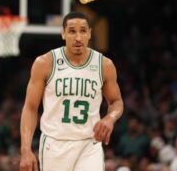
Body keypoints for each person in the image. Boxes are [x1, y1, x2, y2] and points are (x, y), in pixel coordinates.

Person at [19, 11, 124, 171]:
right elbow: (30, 107)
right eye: (72, 31)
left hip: (89, 144)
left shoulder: (105, 65)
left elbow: (116, 102)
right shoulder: (45, 63)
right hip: (55, 145)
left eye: (83, 31)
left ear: (90, 33)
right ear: (63, 34)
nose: (78, 37)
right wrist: (25, 149)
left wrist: (110, 118)